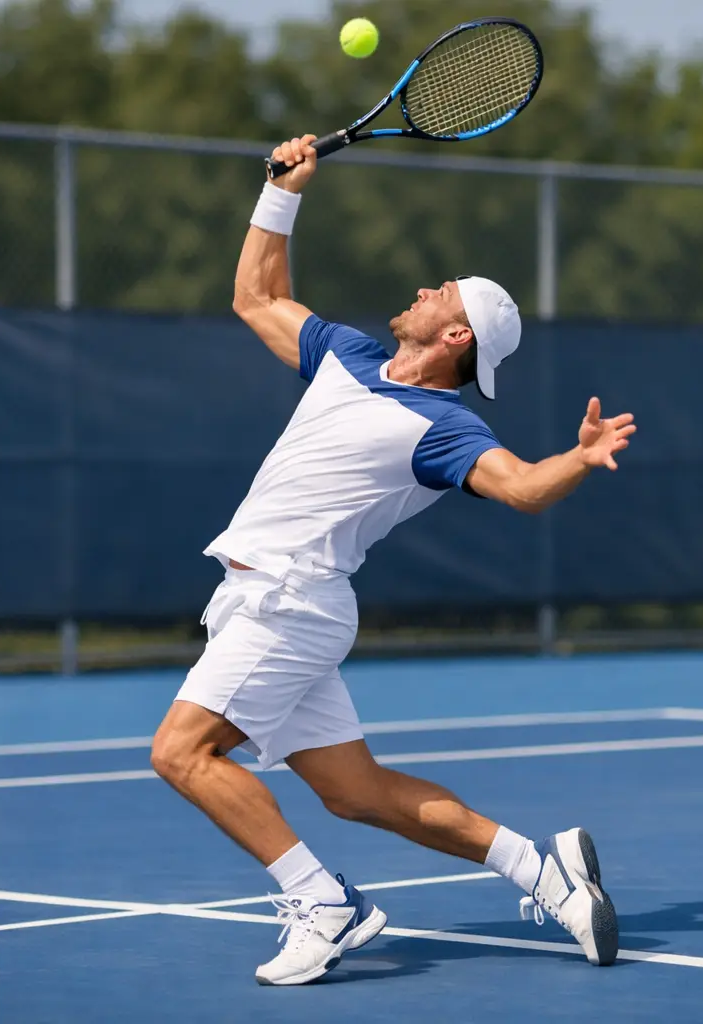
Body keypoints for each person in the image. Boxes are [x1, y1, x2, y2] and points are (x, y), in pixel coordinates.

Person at [149, 134, 637, 986]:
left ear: (455, 333)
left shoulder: (446, 427)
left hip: (289, 605)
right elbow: (256, 296)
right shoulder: (349, 354)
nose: (418, 290)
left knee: (182, 754)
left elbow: (520, 487)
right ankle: (544, 871)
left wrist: (577, 458)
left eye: (438, 291)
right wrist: (283, 192)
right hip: (274, 600)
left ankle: (323, 903)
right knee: (357, 794)